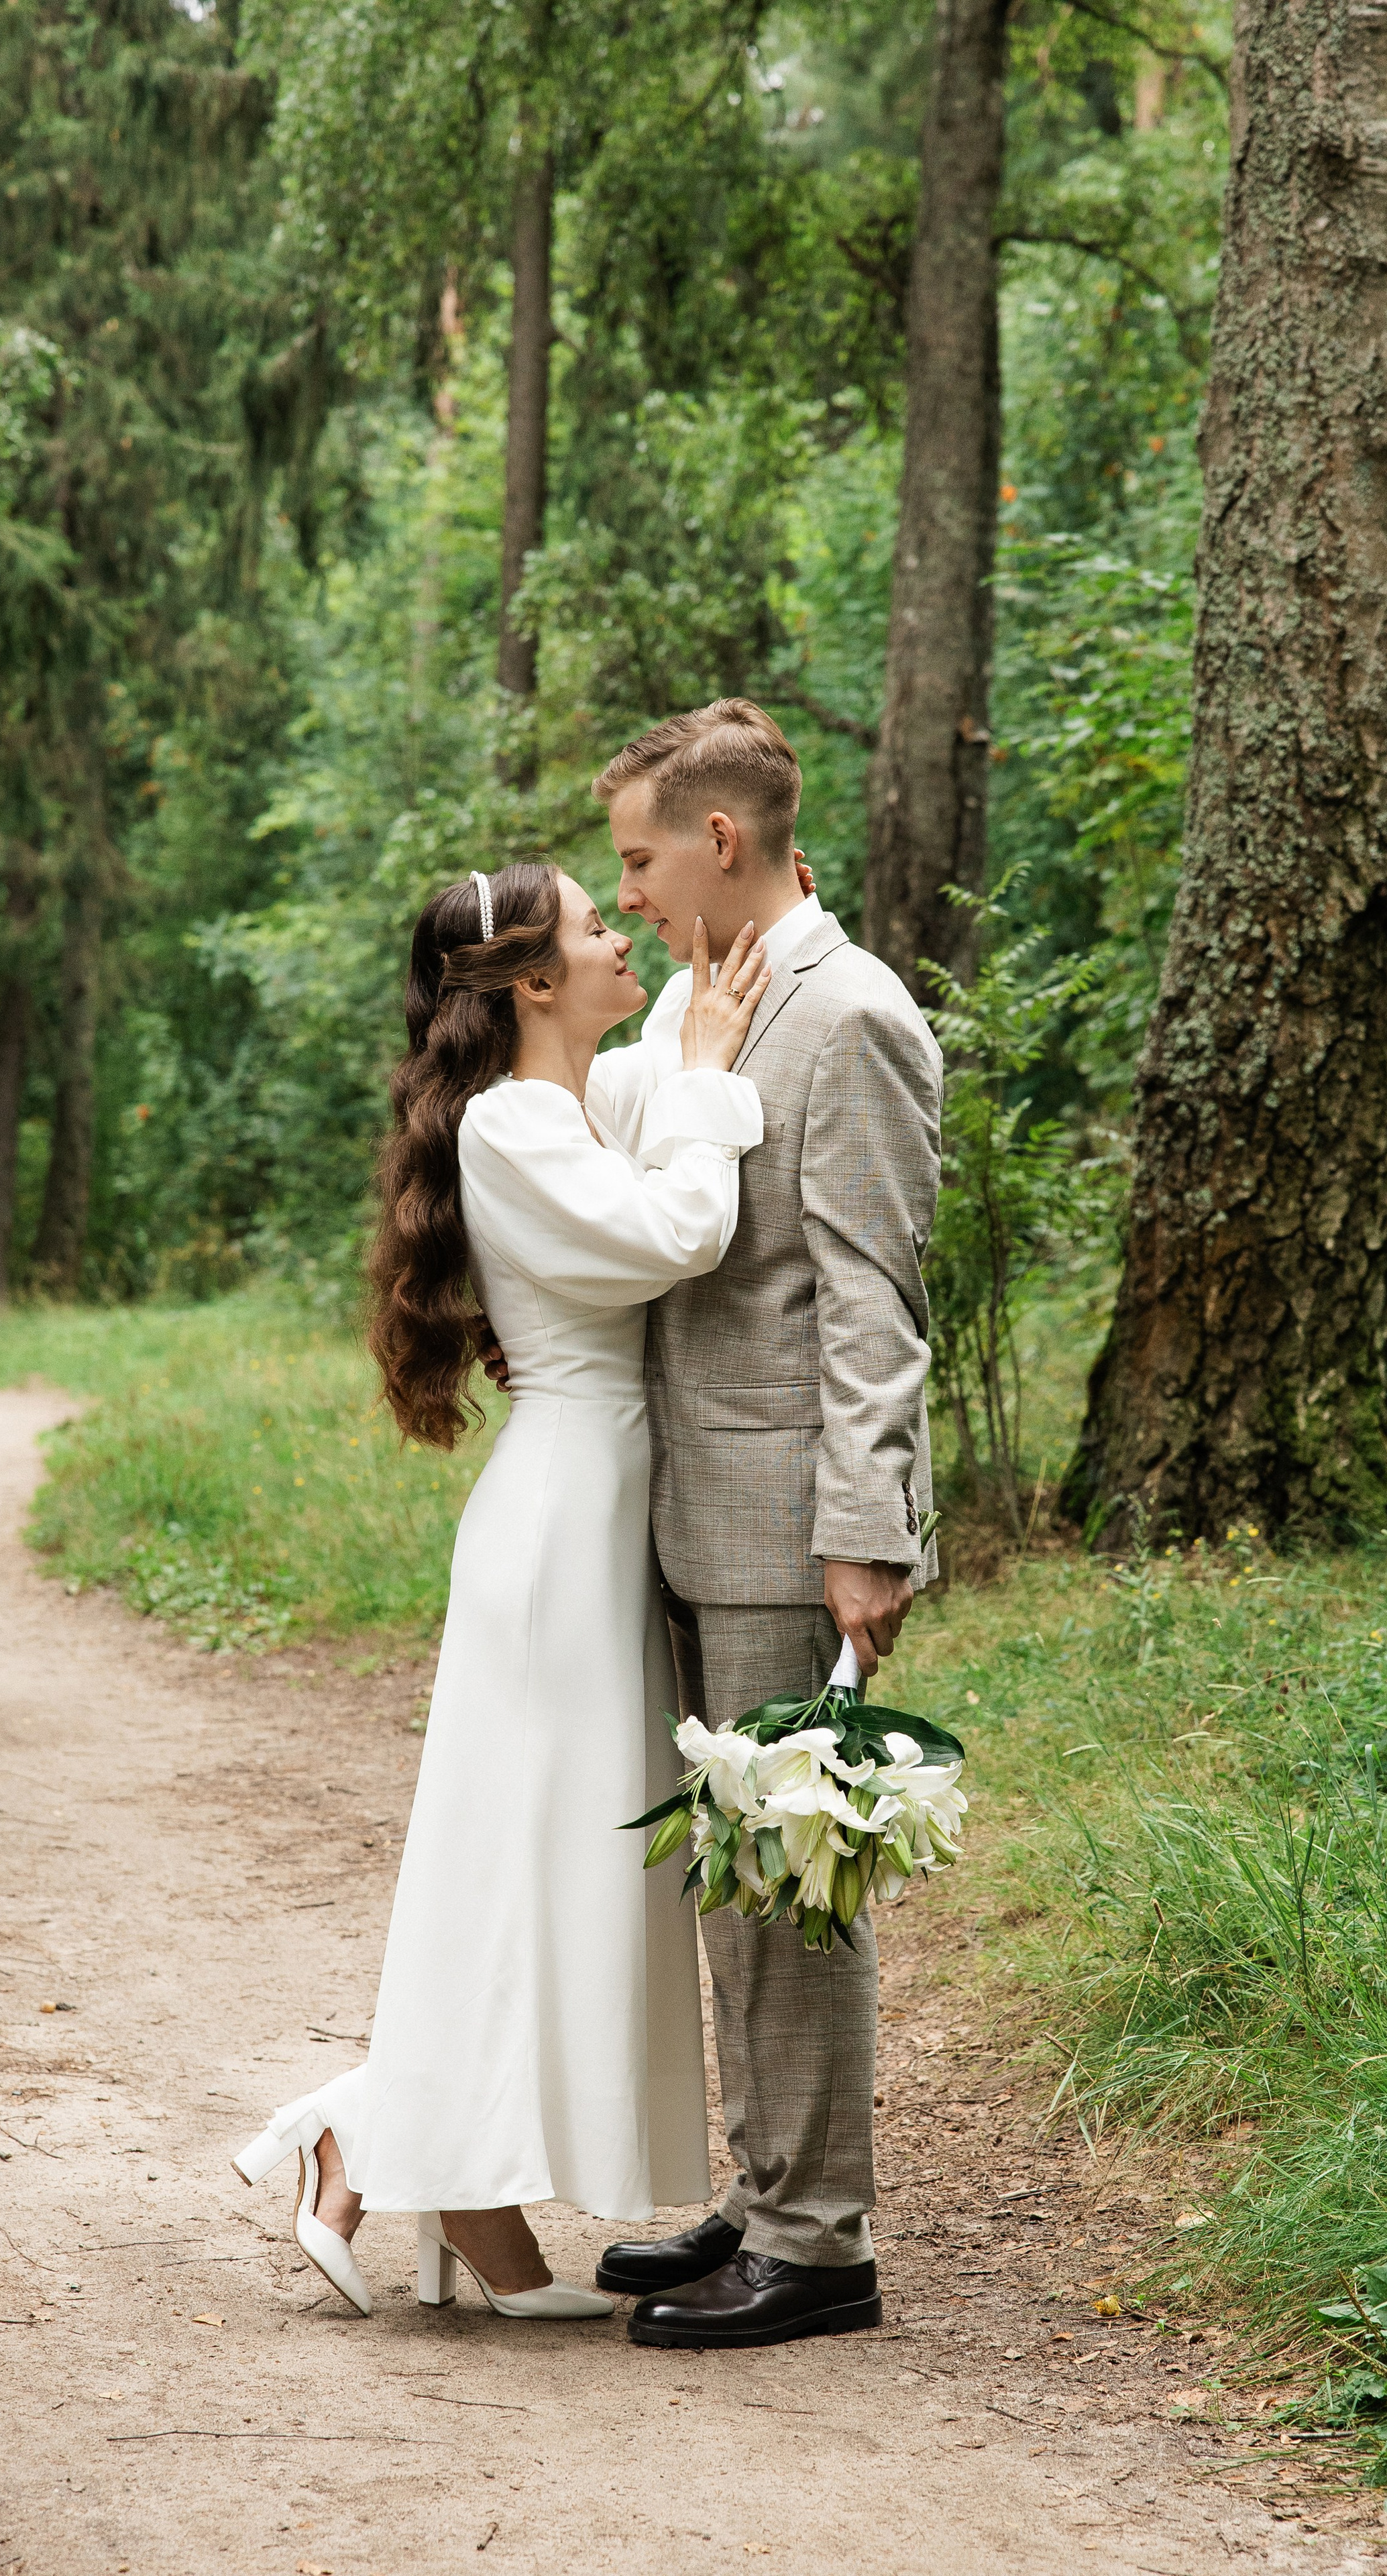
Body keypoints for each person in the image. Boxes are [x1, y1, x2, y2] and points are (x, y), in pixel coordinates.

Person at [232, 861, 770, 2321]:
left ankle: (403, 2152)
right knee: (517, 1860)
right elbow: (678, 1233)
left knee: (548, 1866)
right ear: (532, 982)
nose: (620, 940)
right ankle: (395, 2150)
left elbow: (658, 1082)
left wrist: (700, 1007)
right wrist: (714, 1074)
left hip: (588, 1522)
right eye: (601, 926)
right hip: (554, 1533)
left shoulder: (565, 1102)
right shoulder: (516, 1123)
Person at [587, 698, 943, 2351]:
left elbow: (871, 1299)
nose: (635, 893)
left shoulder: (849, 1013)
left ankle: (820, 2248)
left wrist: (868, 1530)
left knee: (793, 1878)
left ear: (717, 842)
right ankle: (762, 2182)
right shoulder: (697, 997)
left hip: (788, 1520)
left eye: (642, 860)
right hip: (684, 1504)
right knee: (730, 1874)